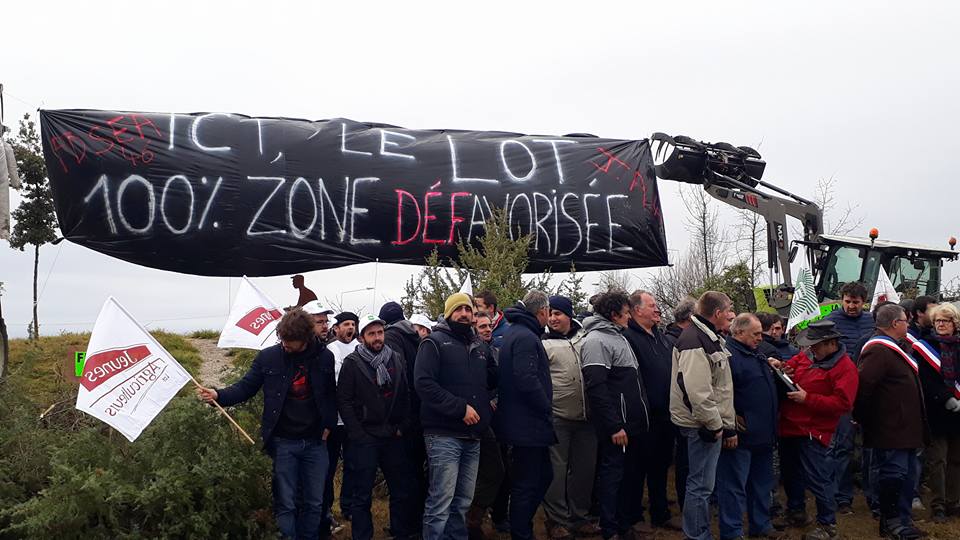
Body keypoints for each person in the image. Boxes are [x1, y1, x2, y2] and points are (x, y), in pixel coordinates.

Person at [197, 309, 337, 540]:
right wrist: (218, 395)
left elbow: (331, 395)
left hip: (315, 442)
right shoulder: (268, 357)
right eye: (282, 340)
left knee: (314, 502)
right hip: (282, 443)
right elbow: (245, 387)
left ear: (305, 339)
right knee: (286, 502)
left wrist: (328, 425)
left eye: (290, 342)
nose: (285, 345)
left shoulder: (325, 357)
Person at [415, 292, 499, 540]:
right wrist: (460, 408)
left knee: (462, 502)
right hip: (443, 434)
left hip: (473, 435)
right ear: (448, 313)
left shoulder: (479, 346)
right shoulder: (433, 342)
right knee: (441, 503)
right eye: (458, 309)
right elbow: (423, 383)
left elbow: (491, 379)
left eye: (468, 309)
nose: (464, 313)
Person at [772, 320, 857, 540]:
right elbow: (792, 364)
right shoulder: (808, 355)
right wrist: (782, 367)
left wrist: (807, 399)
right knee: (791, 473)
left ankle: (828, 525)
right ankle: (796, 512)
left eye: (815, 345)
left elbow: (843, 404)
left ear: (831, 344)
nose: (811, 348)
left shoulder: (845, 367)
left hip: (813, 430)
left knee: (818, 478)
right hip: (790, 426)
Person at [338, 314, 418, 540]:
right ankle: (362, 535)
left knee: (400, 490)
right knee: (362, 494)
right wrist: (357, 433)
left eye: (380, 332)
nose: (377, 337)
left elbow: (405, 392)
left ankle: (400, 533)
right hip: (366, 437)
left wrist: (403, 425)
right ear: (362, 337)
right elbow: (344, 400)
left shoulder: (395, 358)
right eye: (371, 333)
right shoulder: (353, 363)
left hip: (393, 435)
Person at [581, 291, 650, 540]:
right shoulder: (596, 341)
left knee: (627, 477)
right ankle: (610, 529)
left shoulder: (618, 336)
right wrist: (614, 426)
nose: (629, 316)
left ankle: (623, 524)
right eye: (626, 312)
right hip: (617, 427)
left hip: (630, 424)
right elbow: (597, 388)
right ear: (613, 314)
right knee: (612, 478)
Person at [856, 304, 927, 539]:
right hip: (889, 428)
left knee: (906, 477)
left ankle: (903, 521)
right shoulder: (878, 350)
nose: (908, 324)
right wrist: (863, 419)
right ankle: (891, 522)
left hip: (905, 428)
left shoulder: (896, 347)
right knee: (893, 475)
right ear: (895, 323)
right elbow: (864, 388)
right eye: (905, 321)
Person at [670, 291, 736, 540]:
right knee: (700, 485)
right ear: (717, 313)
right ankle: (697, 535)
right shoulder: (695, 340)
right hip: (701, 425)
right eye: (729, 309)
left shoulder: (708, 336)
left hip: (707, 422)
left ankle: (698, 532)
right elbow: (697, 391)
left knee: (702, 484)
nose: (732, 314)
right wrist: (715, 425)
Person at [492, 290, 557, 539]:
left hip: (526, 422)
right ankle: (521, 531)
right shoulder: (526, 337)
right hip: (526, 424)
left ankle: (522, 526)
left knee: (543, 476)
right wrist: (546, 406)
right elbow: (526, 378)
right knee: (527, 484)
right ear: (543, 311)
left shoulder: (518, 332)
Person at [717, 314, 783, 540]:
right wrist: (731, 424)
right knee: (733, 486)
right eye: (755, 334)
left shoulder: (757, 353)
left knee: (761, 484)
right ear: (738, 332)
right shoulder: (728, 357)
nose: (760, 338)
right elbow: (721, 394)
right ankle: (732, 531)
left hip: (763, 434)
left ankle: (761, 525)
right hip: (741, 436)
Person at [622, 290, 682, 532]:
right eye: (652, 305)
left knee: (660, 466)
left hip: (666, 414)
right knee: (636, 469)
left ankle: (660, 513)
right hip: (643, 416)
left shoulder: (661, 337)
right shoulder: (628, 338)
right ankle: (633, 516)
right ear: (637, 310)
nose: (657, 309)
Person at [542, 295, 599, 539]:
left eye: (558, 313)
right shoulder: (543, 342)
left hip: (587, 418)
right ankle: (557, 521)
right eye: (550, 313)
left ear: (569, 315)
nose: (553, 318)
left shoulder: (585, 338)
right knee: (556, 472)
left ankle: (580, 517)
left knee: (584, 471)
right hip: (558, 417)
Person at [825, 282, 873, 514]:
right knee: (841, 447)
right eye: (848, 301)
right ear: (841, 300)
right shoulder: (831, 322)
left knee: (871, 446)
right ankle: (842, 497)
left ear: (864, 302)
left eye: (856, 302)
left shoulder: (872, 321)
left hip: (869, 390)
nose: (851, 306)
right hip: (843, 391)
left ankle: (872, 495)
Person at [380, 302, 429, 530]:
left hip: (404, 416)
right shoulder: (415, 336)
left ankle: (402, 526)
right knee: (416, 472)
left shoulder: (391, 337)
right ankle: (417, 522)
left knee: (401, 475)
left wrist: (397, 418)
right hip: (420, 413)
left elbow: (396, 377)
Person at [913, 303, 960, 523]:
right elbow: (925, 379)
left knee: (956, 459)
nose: (941, 324)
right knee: (938, 460)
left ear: (954, 323)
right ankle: (938, 504)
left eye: (945, 321)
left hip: (958, 412)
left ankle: (954, 501)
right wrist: (946, 398)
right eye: (938, 321)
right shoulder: (924, 347)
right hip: (936, 411)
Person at [327, 312, 360, 522]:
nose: (350, 328)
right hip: (335, 419)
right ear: (336, 328)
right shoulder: (331, 350)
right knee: (329, 466)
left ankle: (348, 506)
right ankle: (327, 508)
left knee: (353, 463)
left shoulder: (359, 347)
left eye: (353, 324)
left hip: (354, 419)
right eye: (346, 324)